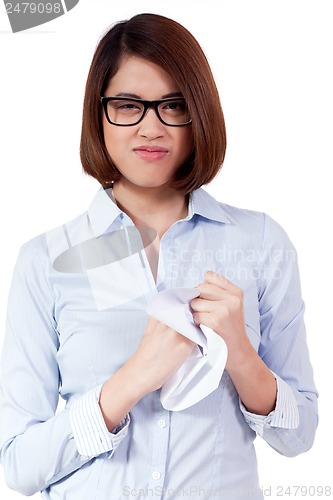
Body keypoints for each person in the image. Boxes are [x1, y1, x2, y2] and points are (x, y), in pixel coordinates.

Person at [0, 13, 318, 500]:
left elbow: (300, 437)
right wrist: (128, 383)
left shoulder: (260, 243)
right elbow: (19, 466)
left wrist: (240, 354)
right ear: (98, 113)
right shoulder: (47, 261)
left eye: (173, 105)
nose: (152, 127)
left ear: (200, 114)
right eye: (128, 105)